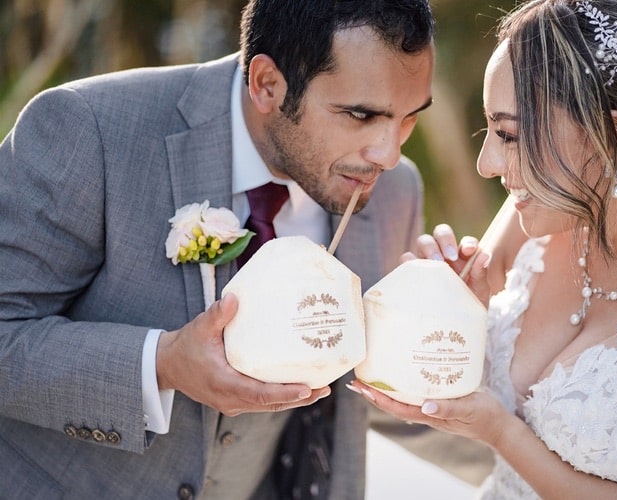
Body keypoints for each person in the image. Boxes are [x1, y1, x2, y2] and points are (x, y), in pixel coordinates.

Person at [0, 1, 434, 498]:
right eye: (361, 115)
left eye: (409, 118)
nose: (389, 153)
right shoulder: (88, 131)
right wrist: (162, 363)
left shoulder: (394, 192)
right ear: (267, 84)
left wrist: (445, 327)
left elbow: (379, 400)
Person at [350, 0, 617, 497]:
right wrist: (452, 315)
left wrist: (501, 433)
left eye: (509, 135)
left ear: (611, 138)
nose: (487, 163)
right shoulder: (555, 203)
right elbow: (445, 357)